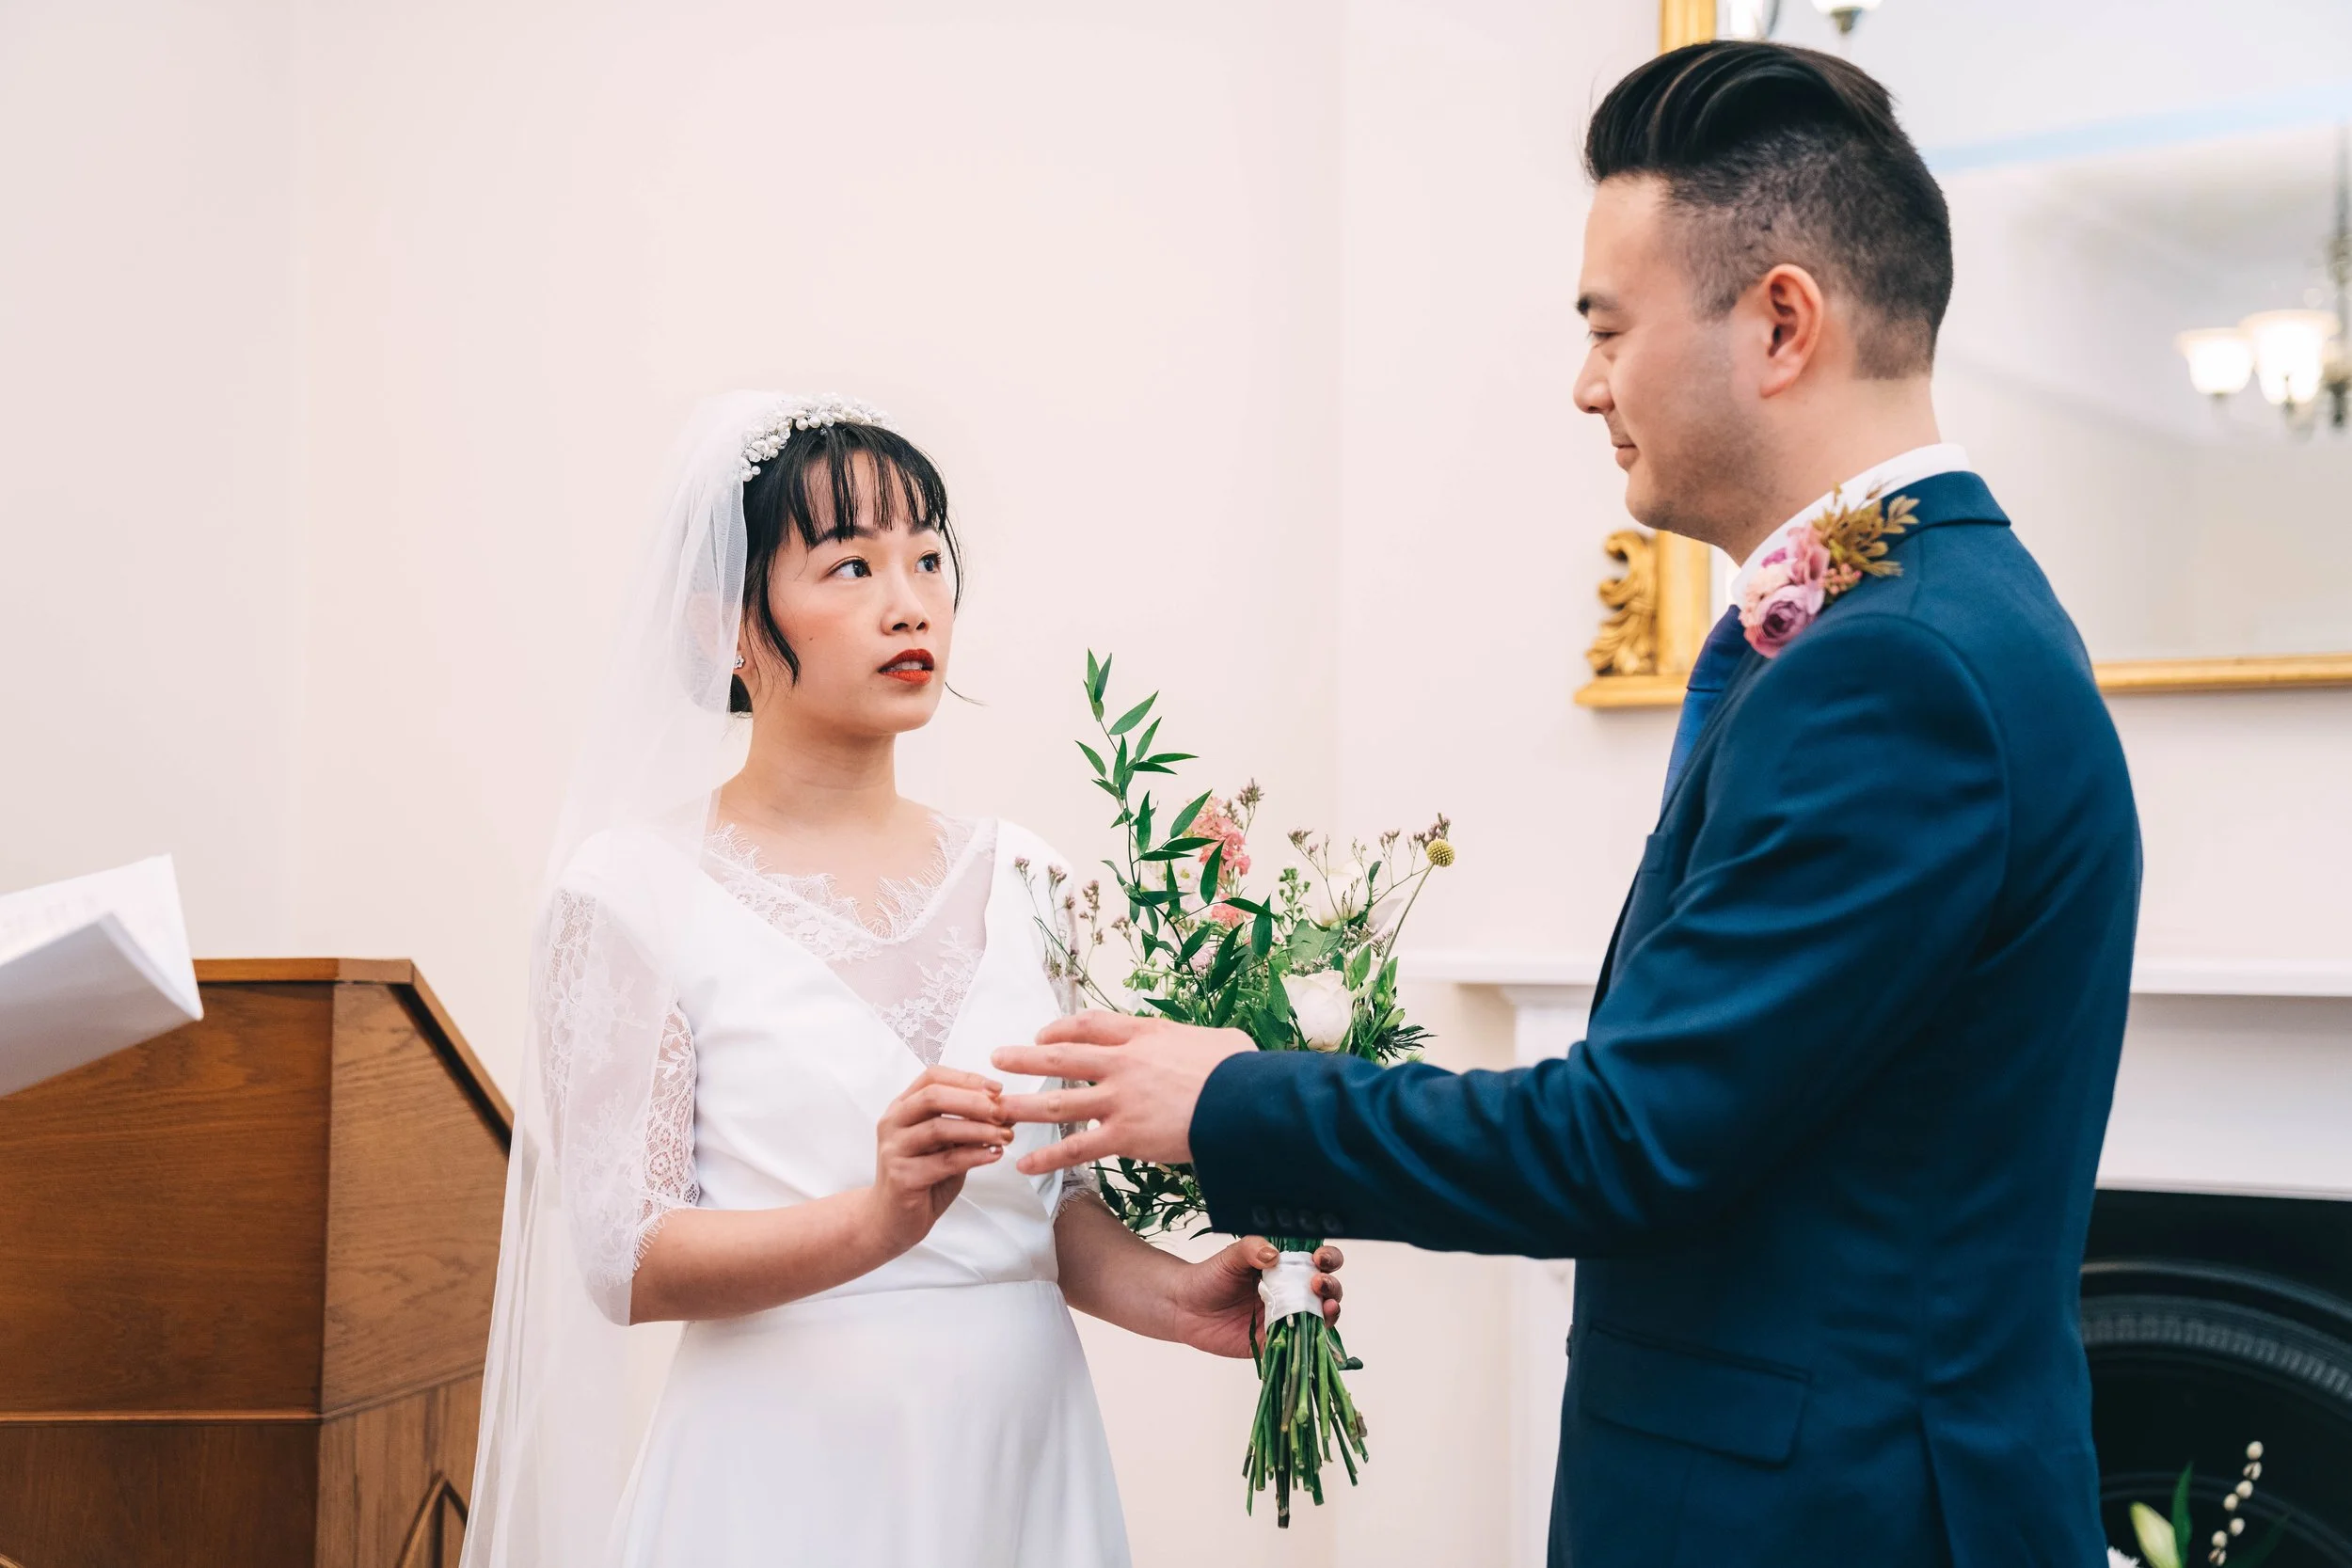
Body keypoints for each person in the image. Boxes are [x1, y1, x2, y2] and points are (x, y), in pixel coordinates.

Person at [995, 41, 2140, 1567]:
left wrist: (1225, 1095)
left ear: (1781, 321)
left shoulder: (1901, 671)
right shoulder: (1922, 619)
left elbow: (1630, 1137)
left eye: (1609, 327)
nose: (1585, 381)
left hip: (1820, 1516)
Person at [461, 392, 1341, 1567]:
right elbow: (626, 1261)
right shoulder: (628, 892)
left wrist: (1176, 1298)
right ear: (727, 623)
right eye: (850, 564)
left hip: (1022, 1459)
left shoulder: (1027, 874)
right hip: (780, 1476)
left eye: (929, 556)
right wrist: (875, 1217)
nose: (909, 599)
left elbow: (1044, 1210)